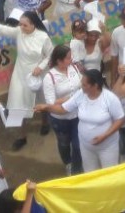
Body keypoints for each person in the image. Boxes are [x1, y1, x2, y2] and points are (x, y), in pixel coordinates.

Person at [36, 69, 125, 172]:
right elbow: (63, 109)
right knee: (90, 173)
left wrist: (104, 136)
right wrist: (46, 107)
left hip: (107, 147)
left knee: (109, 174)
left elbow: (120, 119)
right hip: (86, 147)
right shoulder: (80, 95)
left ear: (95, 86)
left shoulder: (110, 98)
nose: (81, 87)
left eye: (84, 85)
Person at [0, 11, 53, 150]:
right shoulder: (19, 32)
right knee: (17, 104)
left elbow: (50, 55)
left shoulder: (43, 37)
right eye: (20, 24)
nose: (22, 27)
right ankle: (21, 136)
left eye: (25, 25)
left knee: (41, 100)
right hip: (20, 72)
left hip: (38, 73)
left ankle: (45, 122)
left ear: (33, 24)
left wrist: (40, 67)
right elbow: (4, 29)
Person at [42, 44, 83, 175]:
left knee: (77, 145)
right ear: (59, 61)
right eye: (68, 58)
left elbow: (83, 85)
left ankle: (77, 168)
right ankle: (68, 163)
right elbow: (51, 103)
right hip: (60, 119)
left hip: (77, 115)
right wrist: (73, 97)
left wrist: (69, 98)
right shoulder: (49, 77)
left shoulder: (74, 68)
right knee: (64, 143)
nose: (71, 59)